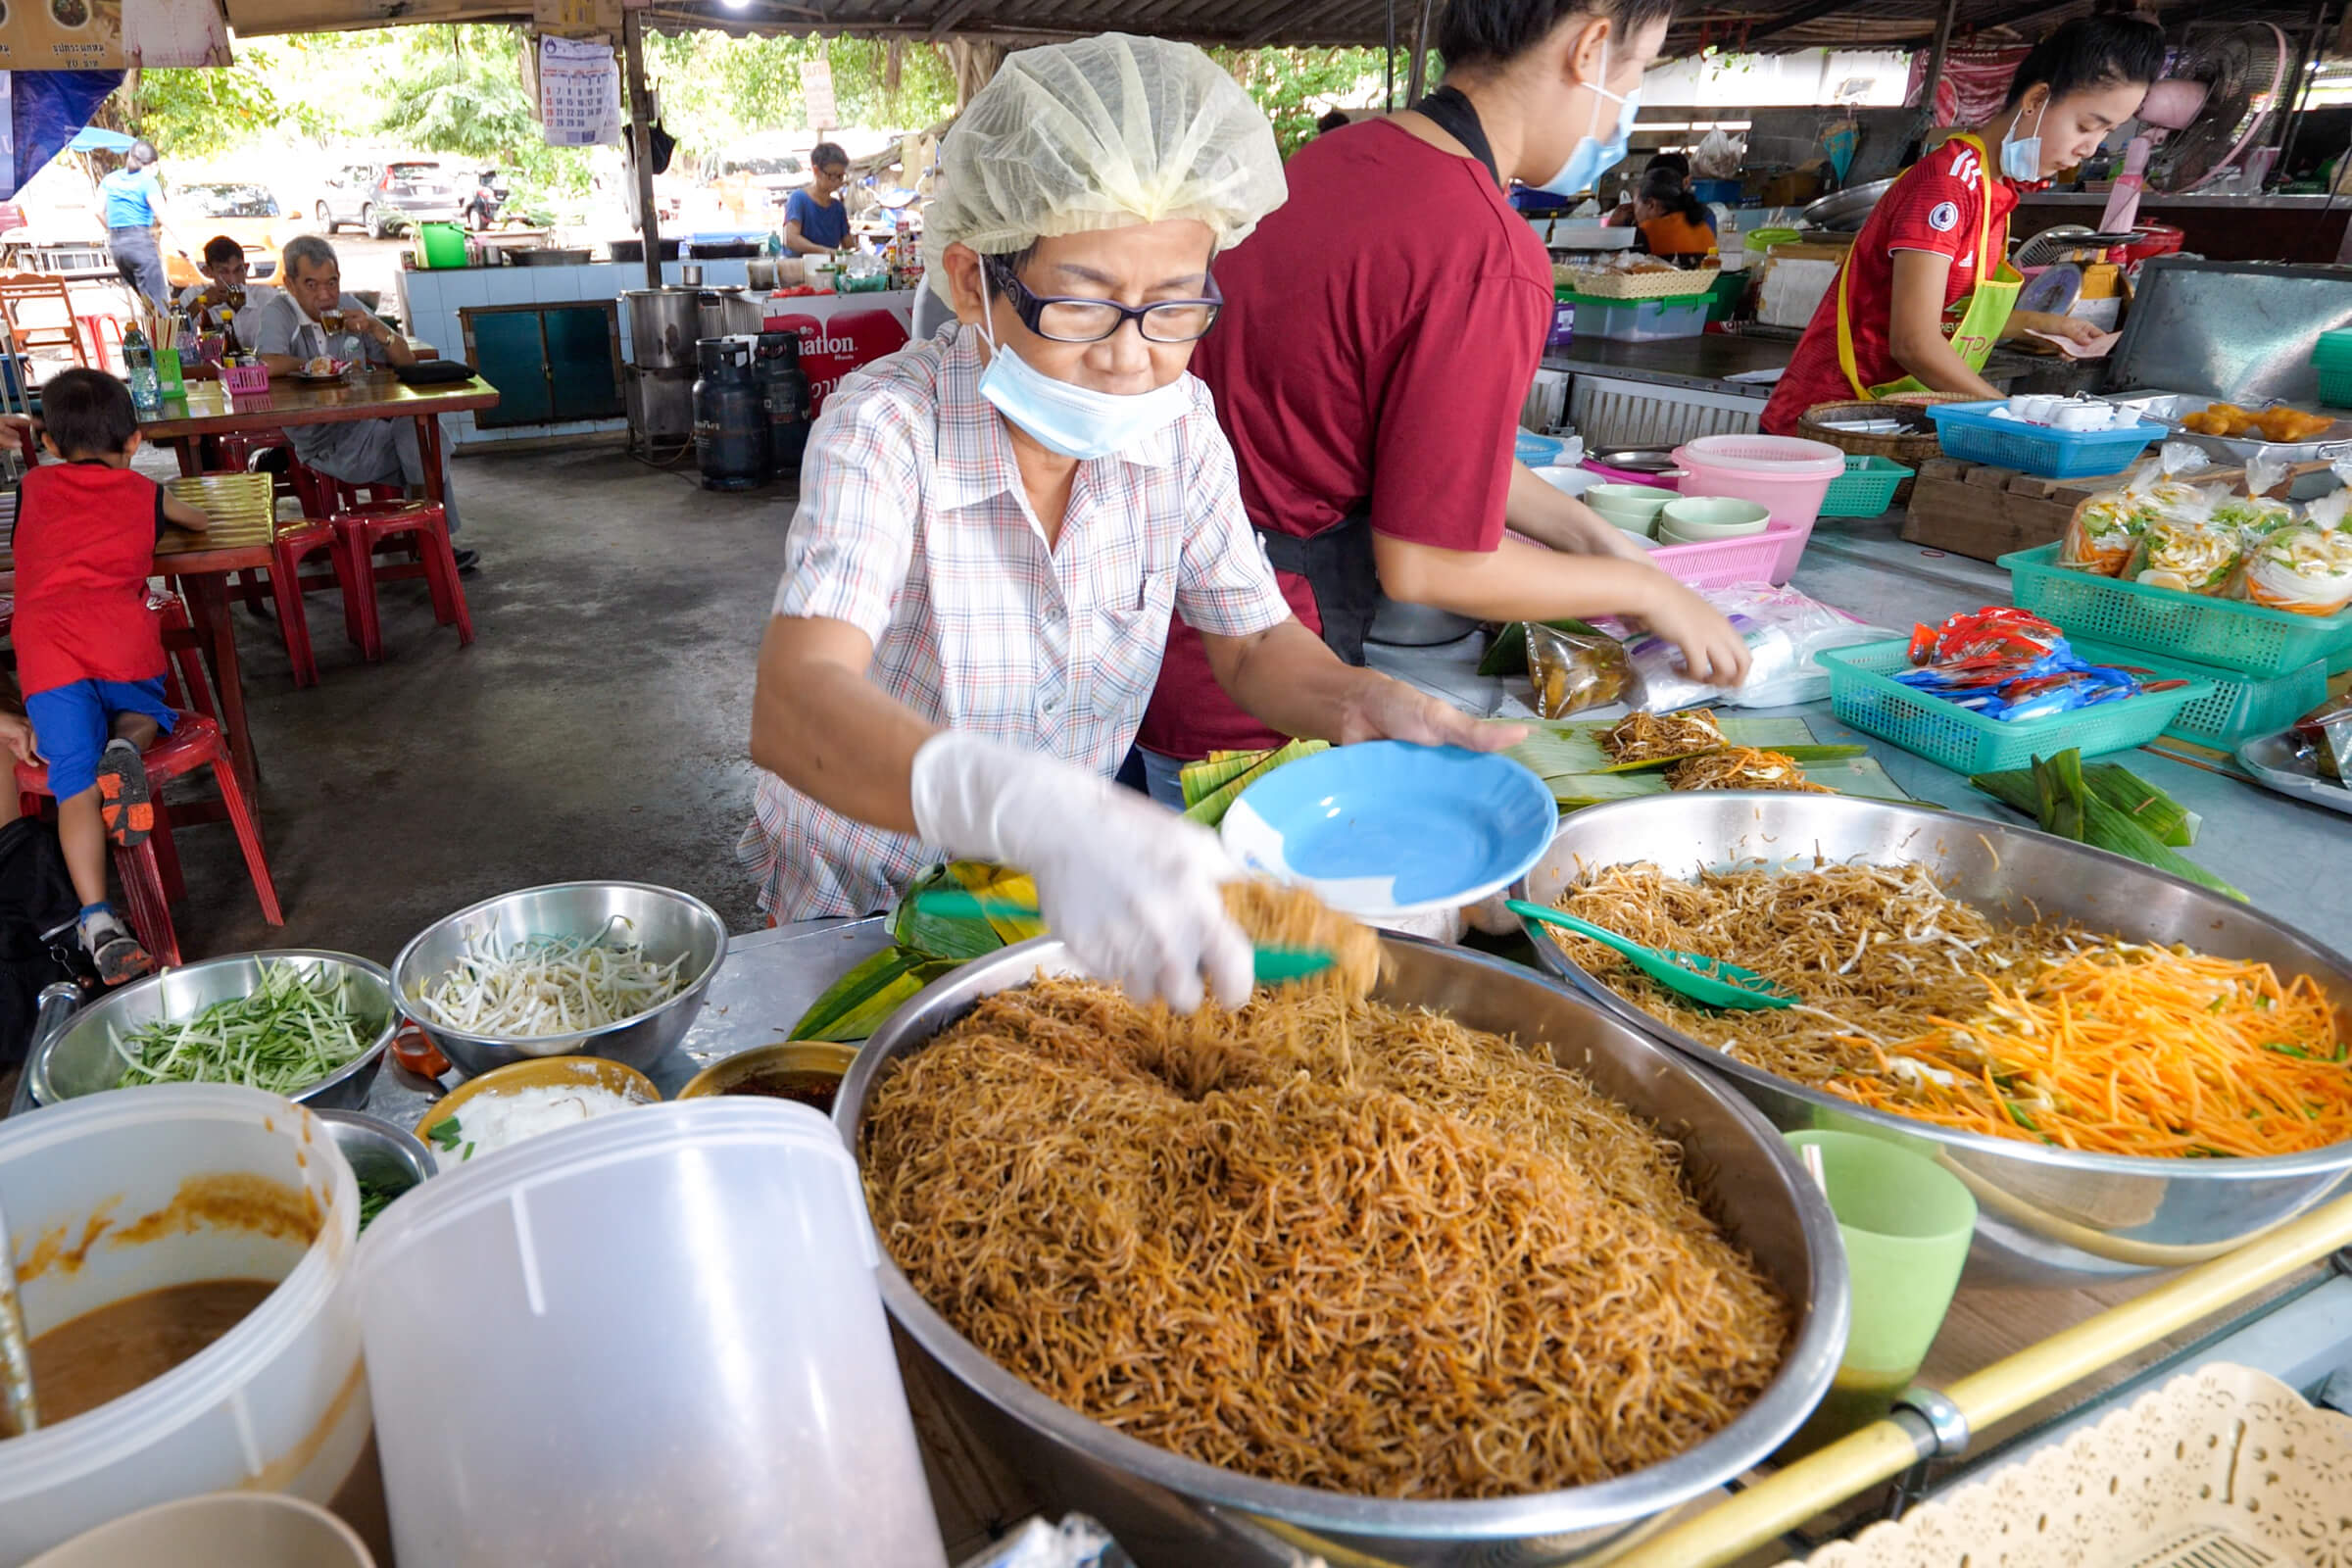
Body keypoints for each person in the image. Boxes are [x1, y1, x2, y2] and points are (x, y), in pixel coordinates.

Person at [743, 34, 1518, 1011]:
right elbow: (796, 701)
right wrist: (1032, 810)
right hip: (860, 898)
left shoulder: (1179, 427)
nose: (1131, 358)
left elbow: (1252, 647)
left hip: (1053, 898)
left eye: (1173, 309)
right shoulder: (886, 428)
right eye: (1083, 306)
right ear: (974, 280)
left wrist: (1365, 705)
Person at [1136, 0, 1751, 794]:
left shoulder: (1325, 164)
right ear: (1591, 47)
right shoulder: (1485, 248)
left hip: (1165, 633)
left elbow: (1425, 458)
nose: (1629, 102)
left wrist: (1594, 540)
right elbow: (1428, 566)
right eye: (1637, 69)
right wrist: (1644, 589)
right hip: (1272, 681)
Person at [1761, 15, 2164, 434]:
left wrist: (2049, 327)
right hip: (1824, 426)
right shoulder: (1947, 186)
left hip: (1882, 426)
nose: (2088, 148)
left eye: (2106, 133)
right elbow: (1914, 342)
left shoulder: (1994, 191)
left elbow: (1952, 318)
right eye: (2085, 126)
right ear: (2036, 99)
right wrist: (2016, 418)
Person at [10, 369, 213, 984]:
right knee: (144, 711)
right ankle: (127, 747)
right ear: (135, 440)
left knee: (73, 783)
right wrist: (158, 502)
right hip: (119, 638)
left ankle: (98, 922)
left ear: (48, 443)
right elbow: (198, 524)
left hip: (46, 651)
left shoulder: (31, 489)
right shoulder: (140, 492)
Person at [252, 235, 476, 571]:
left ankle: (428, 533)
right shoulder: (280, 312)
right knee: (423, 447)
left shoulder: (345, 304)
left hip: (366, 424)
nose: (325, 294)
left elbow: (406, 362)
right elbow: (265, 364)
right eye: (311, 285)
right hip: (324, 442)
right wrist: (312, 366)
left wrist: (375, 328)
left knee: (419, 428)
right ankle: (432, 537)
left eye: (332, 282)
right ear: (291, 284)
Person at [98, 141, 183, 312]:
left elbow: (97, 211)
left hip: (117, 247)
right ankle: (164, 338)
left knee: (148, 304)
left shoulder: (110, 179)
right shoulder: (147, 182)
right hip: (139, 245)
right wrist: (183, 242)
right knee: (160, 307)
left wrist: (116, 232)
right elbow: (162, 215)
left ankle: (151, 336)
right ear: (153, 164)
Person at [176, 233, 276, 354]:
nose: (233, 280)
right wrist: (198, 305)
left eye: (238, 270)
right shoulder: (193, 296)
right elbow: (172, 335)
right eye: (224, 272)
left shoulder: (267, 297)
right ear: (208, 272)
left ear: (246, 268)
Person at [782, 142, 853, 256]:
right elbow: (791, 239)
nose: (837, 181)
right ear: (816, 171)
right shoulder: (799, 199)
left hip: (828, 271)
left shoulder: (837, 208)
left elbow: (848, 245)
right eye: (832, 175)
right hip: (799, 270)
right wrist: (825, 251)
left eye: (840, 176)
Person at [1633, 165, 1717, 257]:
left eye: (1635, 205)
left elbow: (1622, 265)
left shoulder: (1646, 233)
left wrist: (1614, 222)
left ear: (1651, 204)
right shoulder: (1704, 228)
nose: (1633, 211)